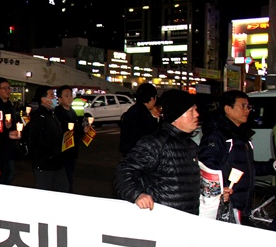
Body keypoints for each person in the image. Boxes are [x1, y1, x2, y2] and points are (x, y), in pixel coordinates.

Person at [115, 89, 201, 214]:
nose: (196, 114)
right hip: (162, 220)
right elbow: (124, 170)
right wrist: (137, 195)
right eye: (191, 111)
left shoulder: (191, 145)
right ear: (176, 115)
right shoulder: (155, 144)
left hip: (188, 220)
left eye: (196, 110)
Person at [198, 90, 276, 225]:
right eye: (243, 106)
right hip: (228, 202)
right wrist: (220, 191)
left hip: (241, 202)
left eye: (249, 107)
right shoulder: (217, 135)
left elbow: (247, 167)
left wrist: (272, 166)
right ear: (228, 109)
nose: (247, 110)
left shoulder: (241, 135)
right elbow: (209, 167)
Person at [28, 86, 69, 193]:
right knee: (45, 193)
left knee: (63, 189)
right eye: (51, 95)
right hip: (45, 164)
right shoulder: (38, 117)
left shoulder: (52, 114)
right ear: (43, 99)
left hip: (57, 162)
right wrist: (47, 155)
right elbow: (35, 141)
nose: (55, 98)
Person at [54, 85, 89, 193]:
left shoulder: (72, 112)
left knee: (69, 177)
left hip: (72, 151)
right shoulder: (57, 113)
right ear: (59, 99)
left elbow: (77, 133)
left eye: (71, 95)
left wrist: (84, 131)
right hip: (61, 153)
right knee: (64, 181)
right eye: (66, 96)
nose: (70, 98)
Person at [119, 83, 160, 156]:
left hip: (129, 152)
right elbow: (150, 134)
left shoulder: (133, 110)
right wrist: (156, 119)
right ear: (152, 98)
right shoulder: (144, 114)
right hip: (138, 155)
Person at [0, 77, 20, 185]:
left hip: (10, 145)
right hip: (0, 146)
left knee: (9, 172)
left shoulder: (10, 104)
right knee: (5, 173)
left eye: (9, 88)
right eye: (4, 88)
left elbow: (14, 124)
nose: (7, 90)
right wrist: (5, 131)